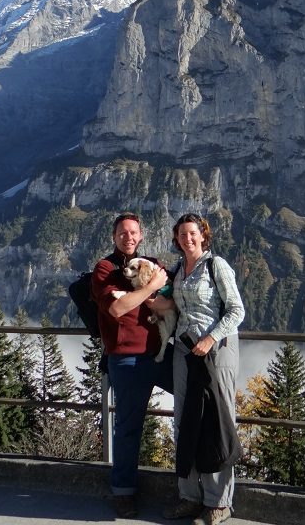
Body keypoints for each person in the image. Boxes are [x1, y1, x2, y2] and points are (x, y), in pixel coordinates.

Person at [163, 213, 245, 525]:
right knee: (183, 422)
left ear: (203, 236)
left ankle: (219, 502)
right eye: (182, 234)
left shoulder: (216, 265)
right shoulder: (179, 270)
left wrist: (211, 338)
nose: (187, 238)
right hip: (184, 349)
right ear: (177, 238)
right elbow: (168, 304)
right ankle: (189, 496)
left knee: (217, 422)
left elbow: (237, 309)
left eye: (193, 233)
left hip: (216, 350)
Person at [91, 212, 175, 518]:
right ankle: (123, 492)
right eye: (122, 233)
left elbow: (169, 301)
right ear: (114, 237)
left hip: (160, 354)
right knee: (128, 427)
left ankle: (193, 487)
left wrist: (150, 295)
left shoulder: (152, 263)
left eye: (133, 232)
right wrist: (150, 289)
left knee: (195, 403)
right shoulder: (106, 269)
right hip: (125, 358)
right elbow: (116, 308)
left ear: (141, 236)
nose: (128, 237)